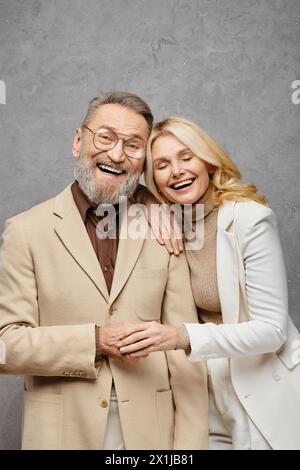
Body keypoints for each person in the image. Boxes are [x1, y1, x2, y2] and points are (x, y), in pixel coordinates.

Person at [0, 97, 208, 450]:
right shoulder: (24, 231)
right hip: (60, 434)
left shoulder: (164, 229)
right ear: (78, 141)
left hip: (152, 437)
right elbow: (6, 344)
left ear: (142, 162)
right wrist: (95, 341)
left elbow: (183, 352)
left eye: (132, 145)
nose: (116, 154)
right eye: (105, 137)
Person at [117, 116, 300, 450]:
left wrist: (177, 336)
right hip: (207, 392)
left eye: (186, 157)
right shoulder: (170, 222)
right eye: (162, 165)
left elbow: (272, 331)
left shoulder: (249, 220)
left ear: (208, 160)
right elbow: (116, 188)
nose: (177, 171)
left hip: (268, 388)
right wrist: (149, 202)